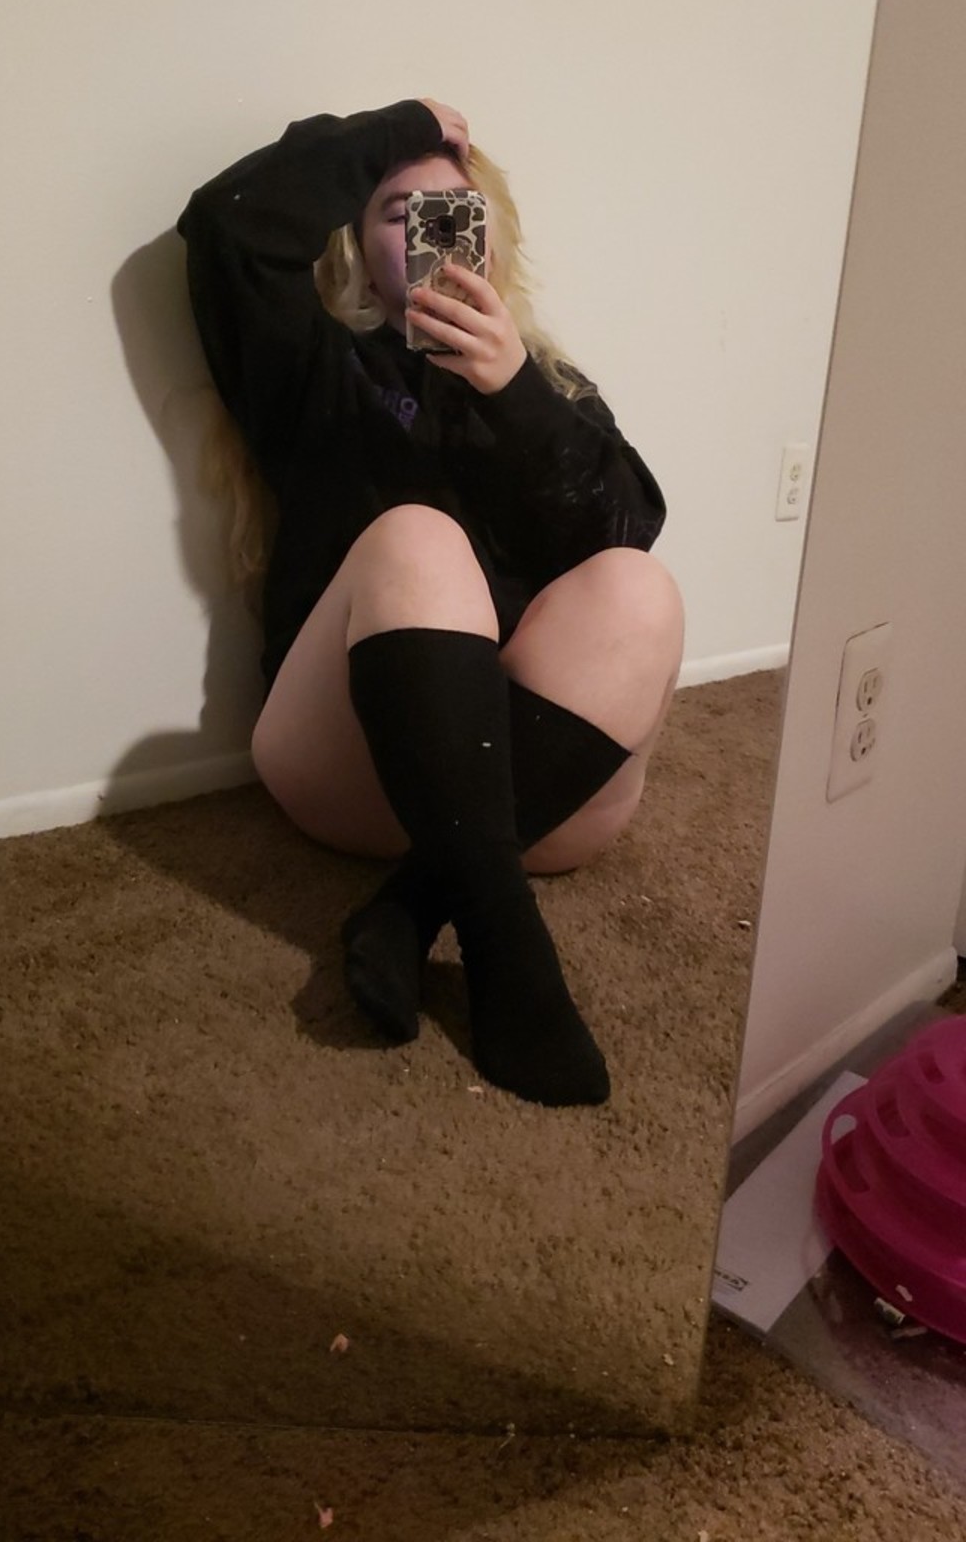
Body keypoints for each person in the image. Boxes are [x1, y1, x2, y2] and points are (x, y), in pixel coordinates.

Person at [177, 98, 684, 1109]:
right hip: (351, 770)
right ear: (354, 249)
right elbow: (229, 226)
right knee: (419, 535)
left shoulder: (545, 381)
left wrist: (514, 393)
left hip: (541, 797)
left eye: (455, 213)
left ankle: (415, 904)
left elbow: (626, 527)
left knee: (640, 585)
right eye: (397, 212)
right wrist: (402, 124)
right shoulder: (315, 366)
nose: (431, 232)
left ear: (489, 238)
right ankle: (507, 947)